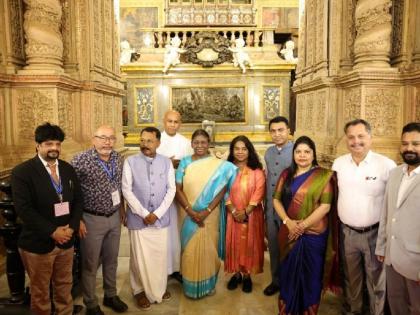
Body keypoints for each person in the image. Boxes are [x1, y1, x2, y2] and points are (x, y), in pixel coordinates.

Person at [11, 123, 83, 315]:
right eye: (49, 143)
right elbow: (24, 210)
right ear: (38, 145)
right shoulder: (22, 172)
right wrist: (53, 232)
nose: (54, 148)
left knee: (64, 287)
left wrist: (72, 228)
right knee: (40, 292)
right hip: (38, 243)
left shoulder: (67, 169)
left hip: (66, 241)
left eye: (58, 144)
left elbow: (78, 200)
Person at [332, 119, 396, 315]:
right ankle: (354, 310)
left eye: (361, 136)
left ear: (370, 137)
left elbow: (392, 203)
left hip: (375, 234)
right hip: (347, 233)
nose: (356, 141)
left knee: (376, 280)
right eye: (351, 137)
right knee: (351, 278)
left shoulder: (386, 165)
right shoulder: (339, 163)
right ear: (346, 140)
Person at [273, 136, 338, 314]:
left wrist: (301, 226)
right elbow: (276, 200)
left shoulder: (323, 176)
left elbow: (326, 206)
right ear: (293, 154)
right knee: (288, 272)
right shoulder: (286, 174)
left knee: (311, 274)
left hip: (314, 234)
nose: (302, 155)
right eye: (298, 152)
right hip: (289, 231)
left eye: (307, 152)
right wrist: (288, 222)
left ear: (313, 154)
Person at [71, 125, 127, 315]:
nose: (107, 142)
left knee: (112, 260)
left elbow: (119, 188)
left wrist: (122, 210)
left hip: (113, 217)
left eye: (111, 138)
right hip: (91, 219)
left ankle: (110, 295)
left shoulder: (118, 159)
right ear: (93, 139)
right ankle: (90, 303)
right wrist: (77, 220)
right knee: (90, 263)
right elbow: (72, 193)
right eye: (102, 137)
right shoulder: (80, 160)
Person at [175, 129, 237, 299]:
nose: (200, 145)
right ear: (192, 144)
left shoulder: (219, 165)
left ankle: (208, 285)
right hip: (187, 214)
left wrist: (206, 211)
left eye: (203, 142)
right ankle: (190, 287)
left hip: (210, 215)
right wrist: (191, 211)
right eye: (196, 142)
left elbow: (223, 188)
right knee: (189, 251)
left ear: (209, 143)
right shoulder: (185, 163)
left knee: (210, 249)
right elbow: (177, 188)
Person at [122, 127, 175, 311]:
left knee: (158, 257)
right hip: (139, 219)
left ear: (158, 143)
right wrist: (144, 214)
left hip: (160, 219)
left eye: (149, 141)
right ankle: (139, 291)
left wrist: (157, 214)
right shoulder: (130, 162)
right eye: (142, 140)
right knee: (139, 258)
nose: (145, 145)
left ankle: (158, 289)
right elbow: (126, 190)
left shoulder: (166, 162)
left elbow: (172, 190)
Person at [375, 122, 420, 315]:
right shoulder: (395, 173)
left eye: (416, 143)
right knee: (396, 304)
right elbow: (386, 213)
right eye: (405, 143)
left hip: (415, 261)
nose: (409, 148)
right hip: (392, 257)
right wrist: (381, 246)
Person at [224, 136, 265, 293]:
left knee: (249, 244)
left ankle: (247, 275)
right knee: (234, 244)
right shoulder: (227, 169)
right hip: (232, 214)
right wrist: (234, 211)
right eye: (236, 149)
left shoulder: (257, 171)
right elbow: (223, 190)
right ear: (232, 151)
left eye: (244, 149)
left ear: (249, 150)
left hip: (252, 215)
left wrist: (246, 211)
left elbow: (259, 191)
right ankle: (236, 273)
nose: (240, 152)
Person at [157, 110, 193, 282]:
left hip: (179, 193)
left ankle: (178, 268)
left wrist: (179, 165)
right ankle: (162, 267)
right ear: (164, 121)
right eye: (169, 121)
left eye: (176, 122)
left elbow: (190, 168)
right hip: (159, 194)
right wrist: (167, 163)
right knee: (163, 232)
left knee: (178, 231)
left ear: (180, 123)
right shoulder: (156, 140)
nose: (172, 124)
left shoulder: (186, 143)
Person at [263, 116, 293, 296]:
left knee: (289, 247)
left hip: (290, 209)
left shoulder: (298, 151)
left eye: (280, 130)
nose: (277, 134)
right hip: (270, 208)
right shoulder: (268, 152)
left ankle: (290, 283)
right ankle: (276, 280)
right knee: (273, 246)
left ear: (289, 131)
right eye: (273, 131)